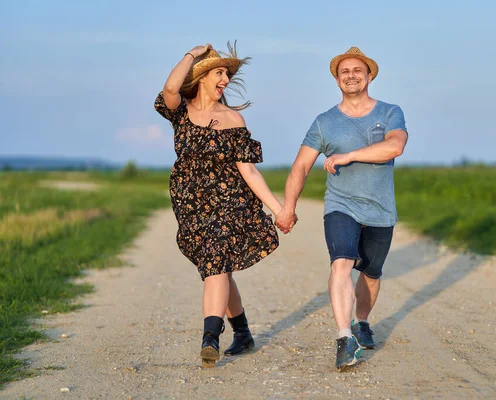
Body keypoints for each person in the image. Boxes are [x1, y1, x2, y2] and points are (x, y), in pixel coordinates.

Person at [154, 42, 293, 368]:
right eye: (219, 73)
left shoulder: (233, 120)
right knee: (218, 268)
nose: (225, 80)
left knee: (216, 261)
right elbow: (170, 87)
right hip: (192, 210)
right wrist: (191, 55)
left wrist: (279, 209)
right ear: (201, 76)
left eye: (228, 75)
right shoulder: (181, 111)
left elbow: (249, 170)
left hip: (232, 205)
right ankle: (243, 333)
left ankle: (210, 339)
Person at [276, 47, 408, 371]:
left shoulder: (390, 112)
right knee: (341, 263)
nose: (351, 75)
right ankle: (344, 337)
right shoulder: (324, 122)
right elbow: (301, 166)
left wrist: (348, 156)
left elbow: (396, 146)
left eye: (357, 70)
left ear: (369, 75)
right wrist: (288, 207)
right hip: (341, 206)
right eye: (344, 71)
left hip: (380, 210)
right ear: (337, 79)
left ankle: (361, 321)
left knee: (371, 275)